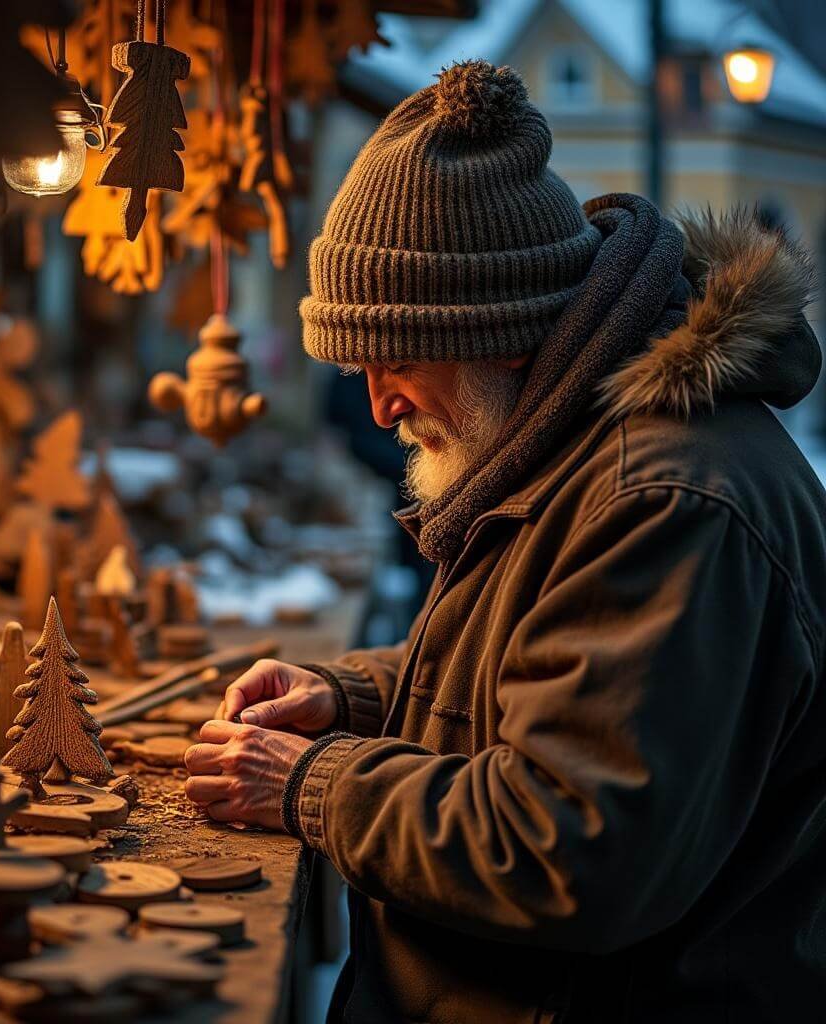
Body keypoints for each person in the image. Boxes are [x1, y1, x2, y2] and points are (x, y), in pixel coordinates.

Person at [184, 60, 826, 1023]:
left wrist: (313, 784)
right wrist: (353, 696)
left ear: (506, 333)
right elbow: (537, 669)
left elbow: (566, 846)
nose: (381, 403)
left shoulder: (664, 501)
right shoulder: (569, 443)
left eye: (398, 361)